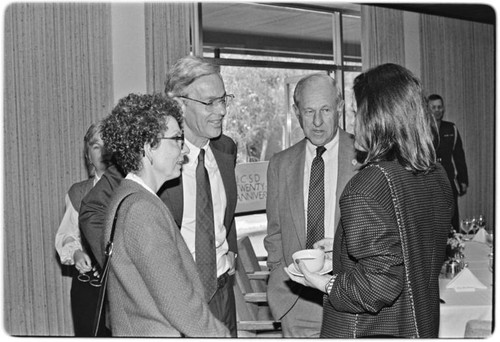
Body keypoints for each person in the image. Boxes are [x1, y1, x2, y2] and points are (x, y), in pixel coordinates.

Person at [286, 63, 454, 338]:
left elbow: (379, 285)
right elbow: (409, 244)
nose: (351, 123)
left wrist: (323, 283)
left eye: (355, 113)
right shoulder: (436, 174)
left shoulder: (367, 185)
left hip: (368, 331)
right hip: (421, 325)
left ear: (377, 117)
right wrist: (341, 245)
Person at [101, 93, 229, 337]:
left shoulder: (125, 198)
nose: (184, 151)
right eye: (177, 140)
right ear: (149, 147)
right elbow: (180, 306)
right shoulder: (142, 210)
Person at [263, 73, 358, 337]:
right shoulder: (280, 164)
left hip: (349, 298)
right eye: (309, 111)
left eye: (326, 110)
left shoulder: (365, 157)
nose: (317, 122)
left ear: (339, 107)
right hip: (297, 301)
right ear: (296, 112)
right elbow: (274, 232)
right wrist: (277, 275)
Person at [161, 55, 238, 337]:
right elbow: (96, 211)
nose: (221, 111)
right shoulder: (152, 154)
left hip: (220, 291)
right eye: (209, 103)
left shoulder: (226, 149)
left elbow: (223, 214)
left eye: (223, 99)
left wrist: (231, 255)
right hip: (172, 298)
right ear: (179, 104)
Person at [55, 121, 110, 336]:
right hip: (90, 286)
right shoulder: (79, 192)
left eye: (108, 144)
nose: (103, 151)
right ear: (88, 155)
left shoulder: (132, 189)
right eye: (96, 146)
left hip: (127, 287)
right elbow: (67, 234)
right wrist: (76, 253)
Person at [428, 93, 468, 232]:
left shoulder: (451, 128)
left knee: (452, 215)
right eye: (433, 107)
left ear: (443, 109)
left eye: (439, 107)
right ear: (427, 109)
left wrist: (463, 180)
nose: (437, 110)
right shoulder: (421, 130)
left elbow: (459, 155)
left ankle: (455, 246)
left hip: (448, 178)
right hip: (429, 178)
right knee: (432, 216)